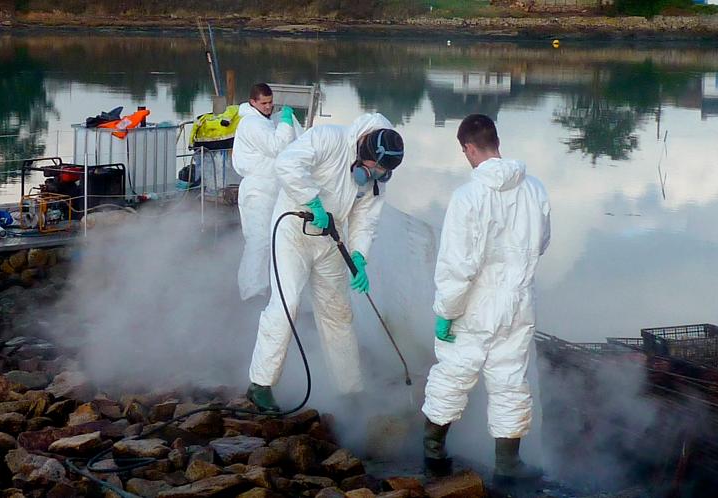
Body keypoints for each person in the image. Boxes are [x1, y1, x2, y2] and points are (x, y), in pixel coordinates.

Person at [421, 114, 551, 488]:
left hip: (474, 305)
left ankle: (433, 452)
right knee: (511, 378)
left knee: (453, 374)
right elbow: (542, 242)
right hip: (518, 302)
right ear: (497, 142)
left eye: (464, 151)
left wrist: (446, 311)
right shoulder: (535, 189)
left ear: (469, 148)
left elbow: (457, 265)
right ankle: (508, 465)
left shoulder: (467, 197)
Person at [246, 112, 404, 412]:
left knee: (338, 312)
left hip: (332, 237)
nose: (375, 175)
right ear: (364, 147)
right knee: (287, 303)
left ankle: (349, 390)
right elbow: (287, 164)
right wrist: (312, 200)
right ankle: (260, 384)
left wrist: (359, 256)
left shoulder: (376, 179)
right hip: (294, 229)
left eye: (382, 172)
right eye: (374, 167)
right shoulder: (328, 139)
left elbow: (366, 218)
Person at [233, 83, 302, 300]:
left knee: (269, 239)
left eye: (271, 102)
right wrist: (286, 122)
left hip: (268, 188)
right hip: (258, 190)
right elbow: (277, 146)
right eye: (263, 103)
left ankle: (261, 287)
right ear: (252, 102)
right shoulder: (252, 123)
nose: (268, 107)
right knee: (259, 240)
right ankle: (251, 291)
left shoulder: (264, 120)